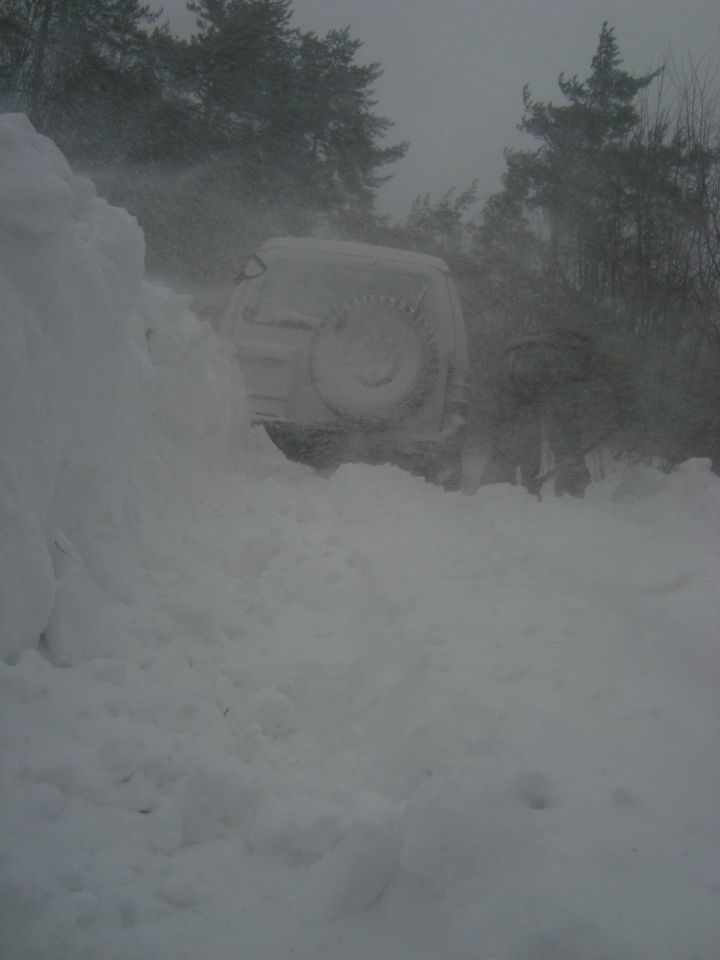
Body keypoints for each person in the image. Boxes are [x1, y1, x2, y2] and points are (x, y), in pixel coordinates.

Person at [480, 328, 639, 497]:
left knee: (515, 432)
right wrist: (628, 406)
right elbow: (617, 370)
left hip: (510, 362)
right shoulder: (585, 351)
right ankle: (571, 491)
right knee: (565, 434)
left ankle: (497, 489)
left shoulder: (556, 342)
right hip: (549, 363)